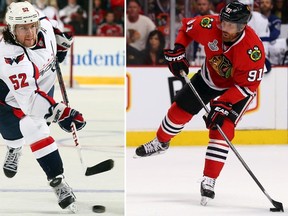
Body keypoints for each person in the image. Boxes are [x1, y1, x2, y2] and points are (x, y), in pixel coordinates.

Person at [135, 1, 265, 206]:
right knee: (179, 111)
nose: (224, 28)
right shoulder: (210, 24)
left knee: (221, 128)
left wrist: (223, 104)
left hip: (237, 90)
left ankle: (209, 179)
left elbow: (247, 87)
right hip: (208, 79)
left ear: (243, 26)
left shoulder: (252, 51)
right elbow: (186, 29)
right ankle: (161, 142)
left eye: (231, 26)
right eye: (223, 22)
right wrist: (179, 49)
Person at [0, 1, 86, 212]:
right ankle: (14, 147)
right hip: (9, 100)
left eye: (32, 26)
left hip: (42, 92)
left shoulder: (42, 26)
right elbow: (29, 101)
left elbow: (50, 24)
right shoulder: (10, 56)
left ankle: (57, 180)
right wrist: (62, 113)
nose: (30, 33)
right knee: (13, 135)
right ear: (12, 29)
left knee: (35, 128)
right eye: (22, 28)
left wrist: (61, 41)